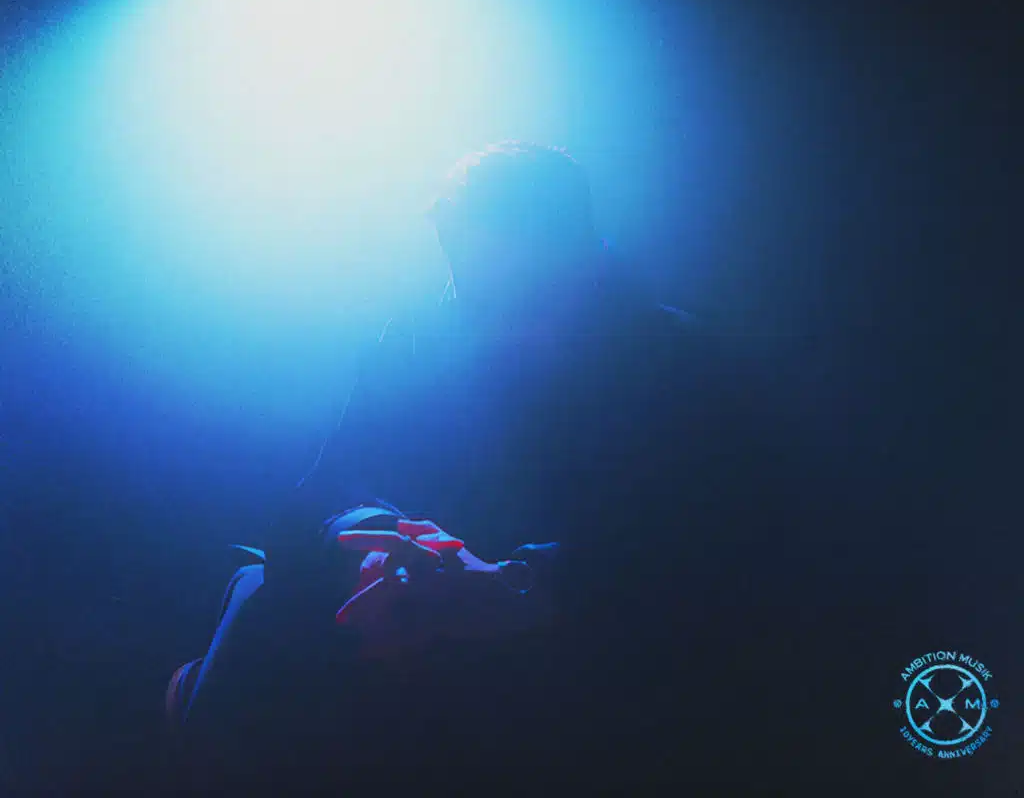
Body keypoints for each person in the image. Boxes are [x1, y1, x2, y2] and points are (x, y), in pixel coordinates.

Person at [164, 142, 898, 793]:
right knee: (257, 590)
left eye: (504, 285)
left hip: (588, 644)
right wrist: (367, 537)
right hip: (421, 613)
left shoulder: (683, 365)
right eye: (459, 277)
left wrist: (529, 584)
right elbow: (318, 495)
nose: (473, 306)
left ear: (577, 257)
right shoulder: (416, 342)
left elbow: (733, 548)